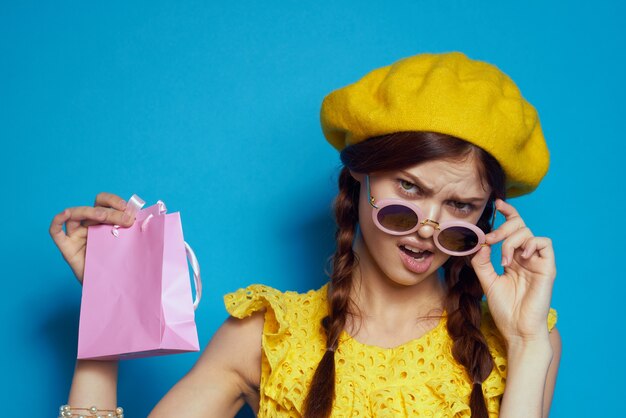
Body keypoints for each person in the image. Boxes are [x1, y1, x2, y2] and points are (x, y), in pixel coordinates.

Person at [50, 52, 561, 418]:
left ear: (485, 220)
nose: (428, 228)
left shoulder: (522, 339)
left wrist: (526, 342)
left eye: (459, 207)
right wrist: (110, 307)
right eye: (409, 188)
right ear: (361, 175)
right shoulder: (264, 339)